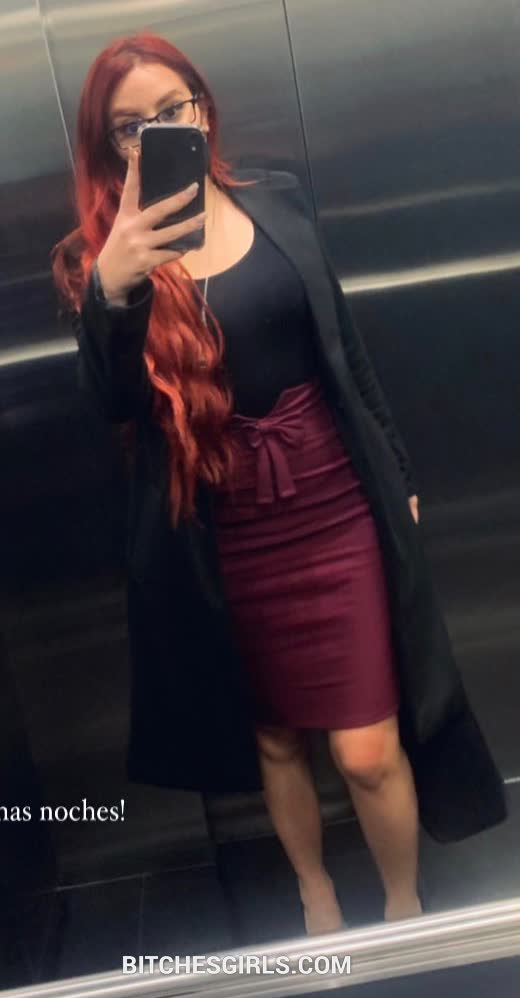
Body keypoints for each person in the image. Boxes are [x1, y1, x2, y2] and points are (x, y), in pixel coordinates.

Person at [51, 31, 506, 938]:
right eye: (131, 127)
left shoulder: (280, 203)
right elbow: (112, 406)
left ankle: (404, 911)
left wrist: (399, 472)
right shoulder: (97, 262)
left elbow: (347, 352)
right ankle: (313, 890)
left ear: (202, 108)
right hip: (224, 529)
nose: (157, 133)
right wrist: (117, 289)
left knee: (369, 749)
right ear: (109, 147)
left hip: (335, 503)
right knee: (275, 736)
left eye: (172, 109)